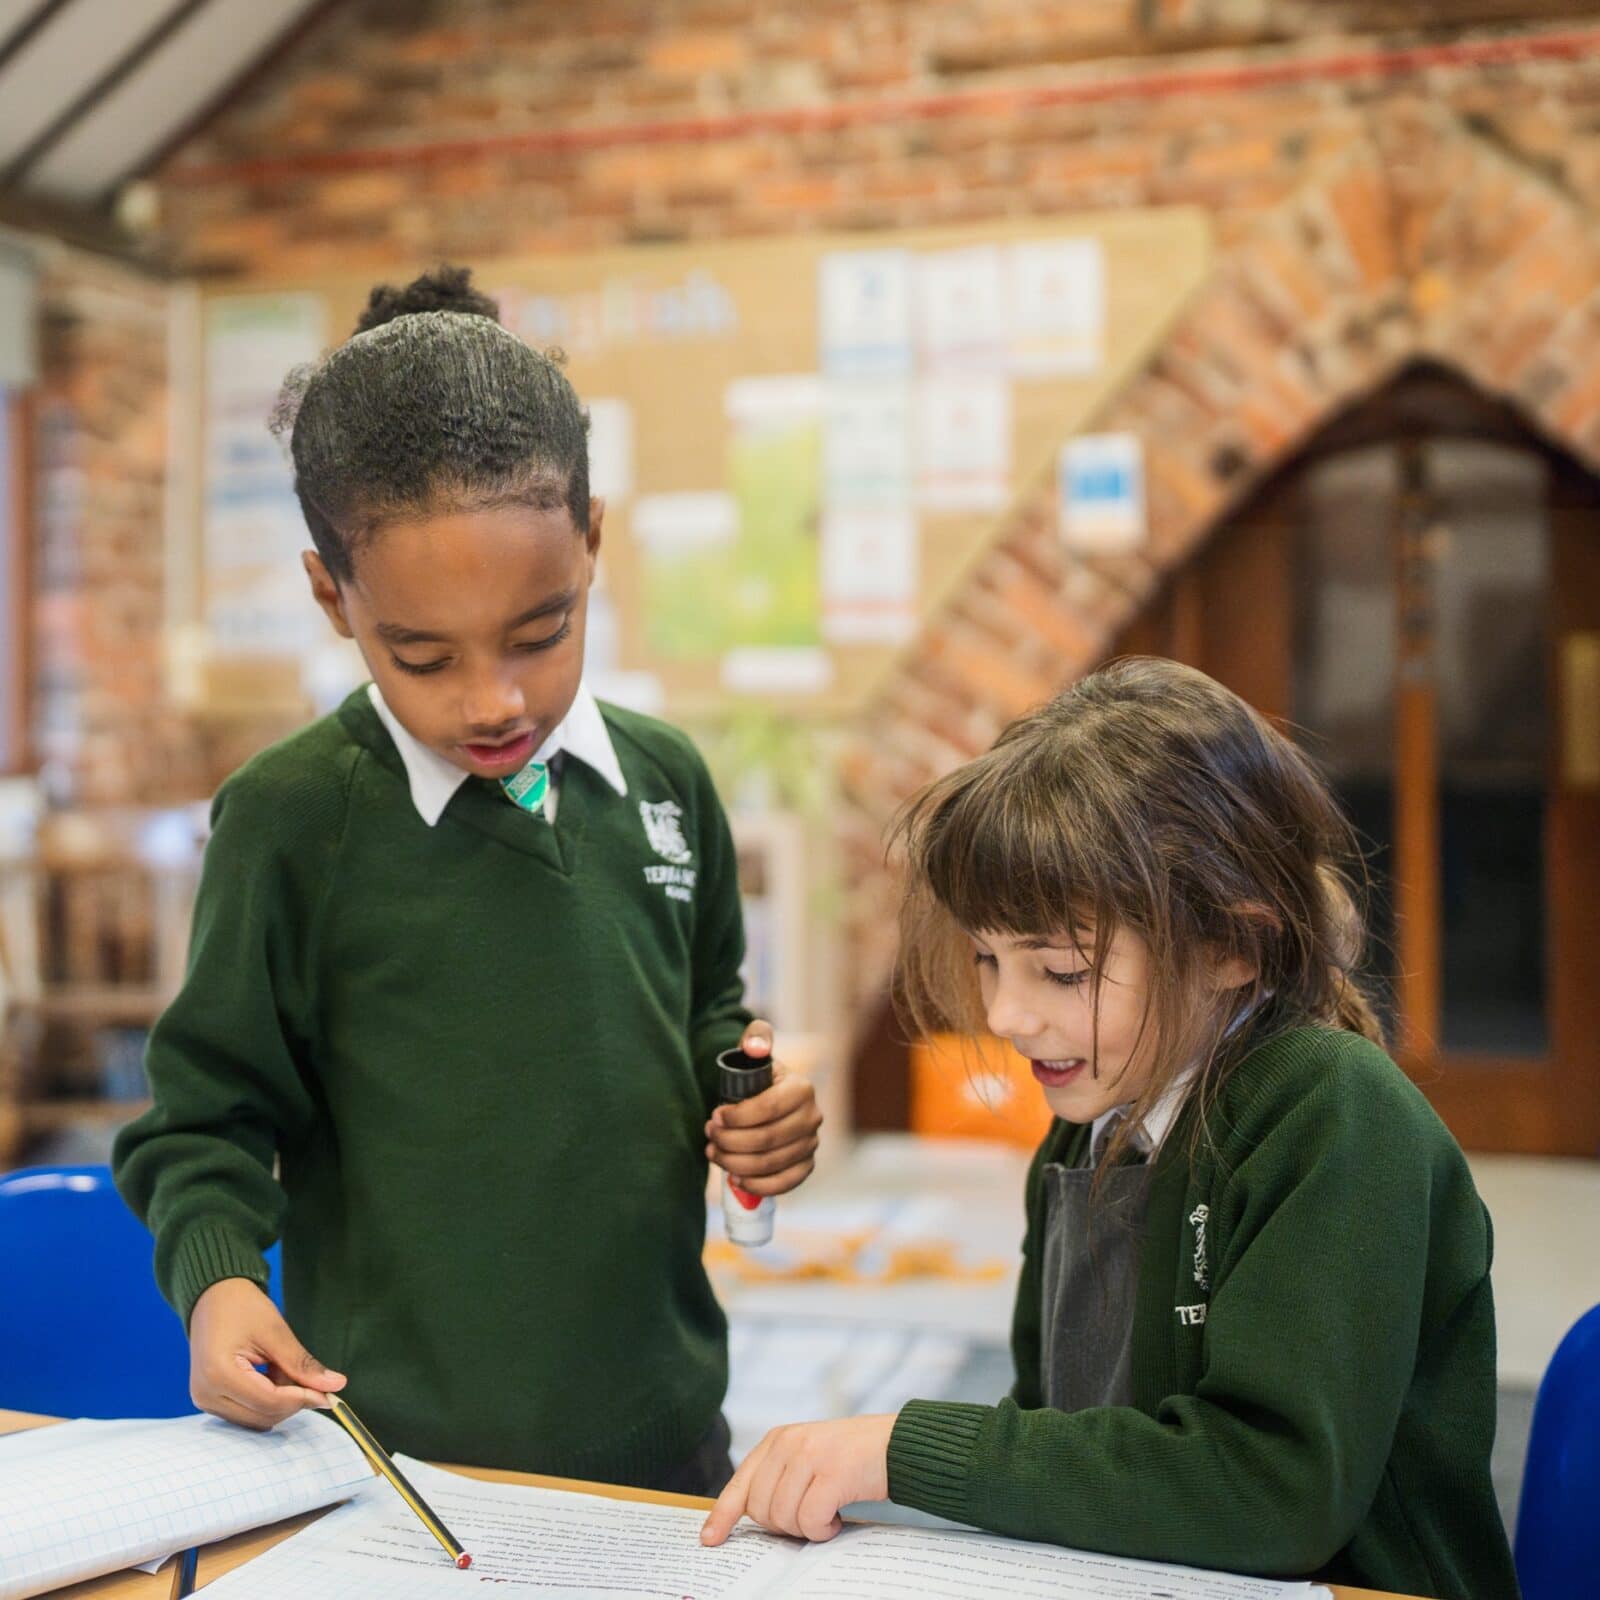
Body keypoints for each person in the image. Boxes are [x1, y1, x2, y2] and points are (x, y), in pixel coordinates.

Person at [113, 266, 822, 1494]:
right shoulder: (293, 820)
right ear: (333, 597)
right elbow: (203, 1115)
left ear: (592, 545)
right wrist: (220, 1277)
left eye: (540, 633)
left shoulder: (665, 782)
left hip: (663, 1441)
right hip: (401, 1469)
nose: (493, 700)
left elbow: (704, 1007)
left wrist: (753, 1101)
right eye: (424, 654)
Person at [702, 657, 1516, 1600]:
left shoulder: (1332, 1112)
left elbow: (1274, 1491)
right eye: (987, 959)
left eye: (1063, 972)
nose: (1005, 1015)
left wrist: (903, 1448)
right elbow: (1060, 1428)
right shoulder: (1089, 1125)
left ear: (1231, 946)